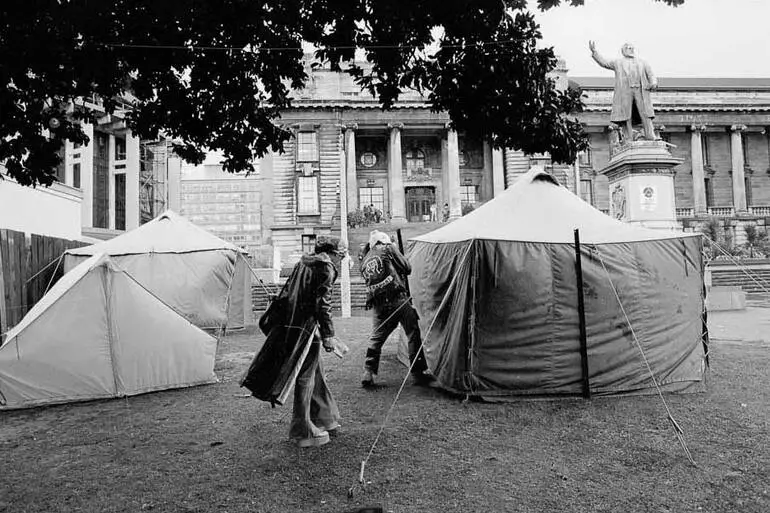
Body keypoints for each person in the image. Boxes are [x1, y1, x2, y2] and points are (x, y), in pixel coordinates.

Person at [241, 235, 349, 448]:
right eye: (342, 255)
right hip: (307, 329)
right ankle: (303, 429)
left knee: (314, 373)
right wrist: (328, 336)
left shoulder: (304, 262)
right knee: (307, 377)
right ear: (333, 253)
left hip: (293, 325)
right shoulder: (326, 268)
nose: (343, 260)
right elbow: (323, 305)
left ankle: (324, 417)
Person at [359, 230, 433, 388]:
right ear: (384, 241)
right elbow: (407, 268)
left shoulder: (365, 258)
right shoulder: (388, 248)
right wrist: (394, 249)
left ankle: (368, 373)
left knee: (376, 338)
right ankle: (418, 373)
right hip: (397, 299)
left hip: (378, 303)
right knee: (413, 332)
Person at [589, 41, 658, 141]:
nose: (631, 49)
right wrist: (595, 52)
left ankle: (650, 136)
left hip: (640, 91)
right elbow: (604, 62)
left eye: (632, 47)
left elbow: (651, 74)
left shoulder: (643, 62)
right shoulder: (618, 62)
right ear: (623, 51)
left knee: (645, 114)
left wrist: (653, 83)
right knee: (626, 116)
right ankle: (628, 137)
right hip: (626, 92)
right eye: (628, 48)